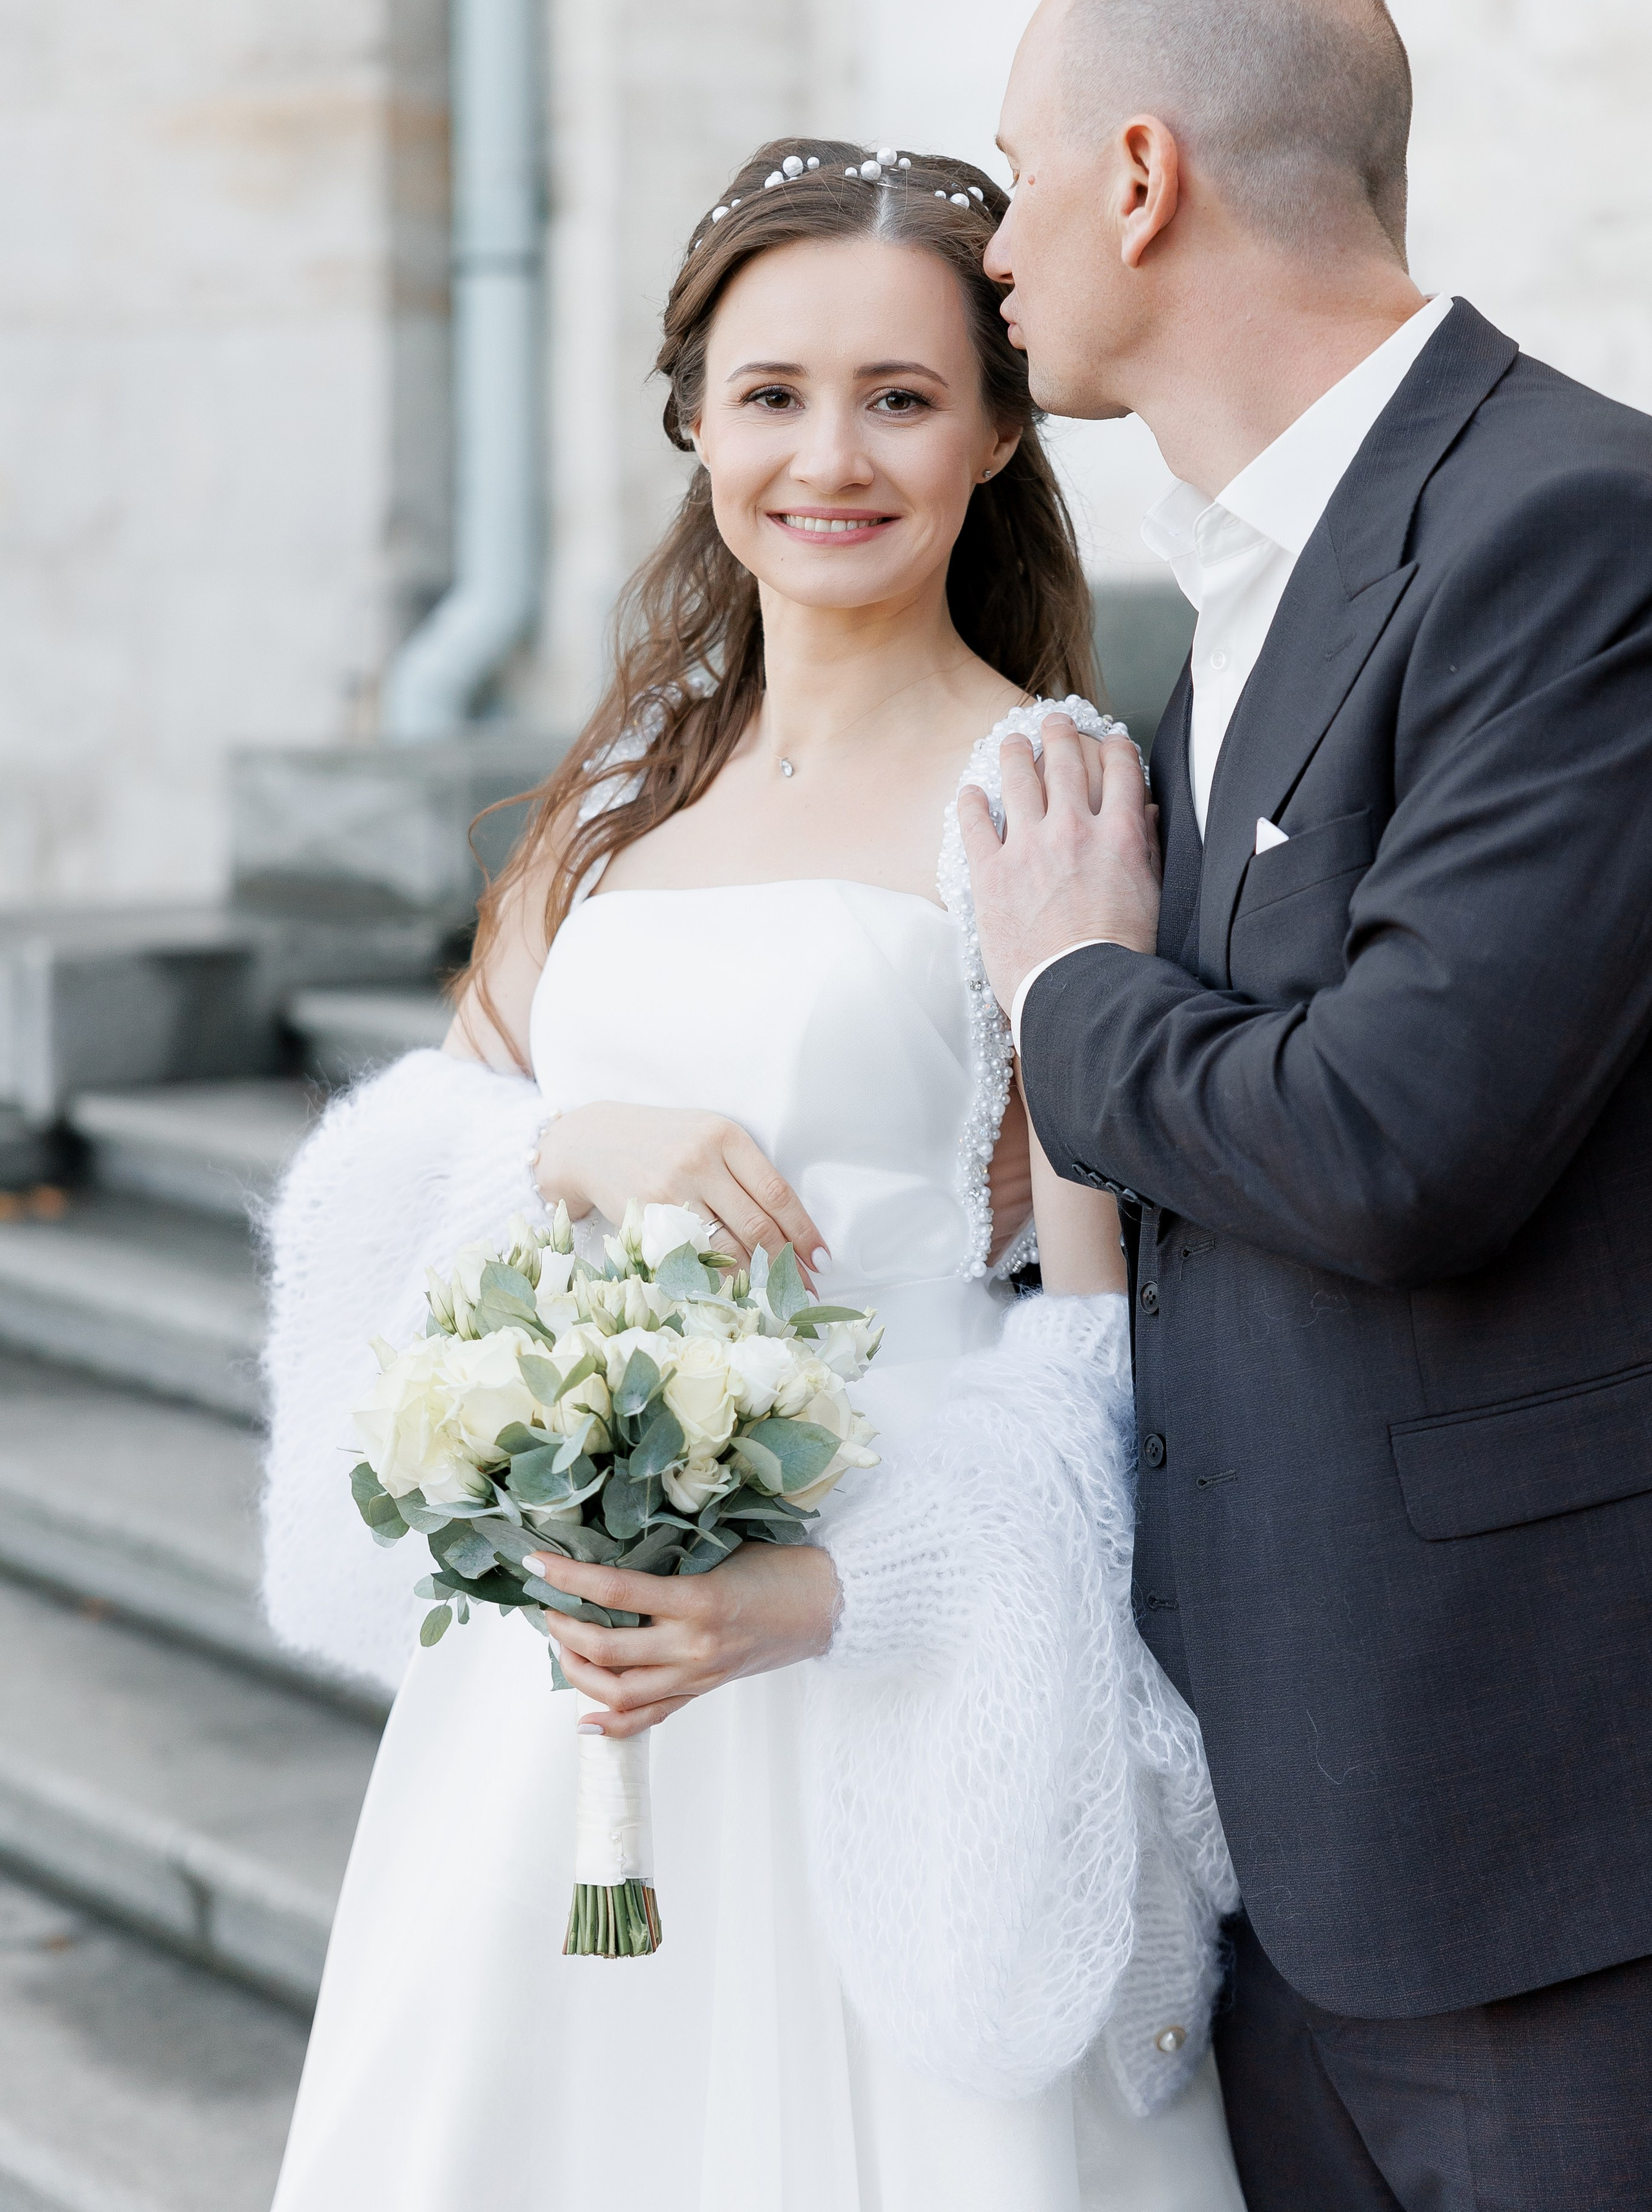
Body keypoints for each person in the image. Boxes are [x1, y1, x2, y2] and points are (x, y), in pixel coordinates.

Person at [261, 139, 1245, 2209]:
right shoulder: (619, 799)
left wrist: (828, 1593)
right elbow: (409, 1181)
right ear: (695, 412)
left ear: (995, 430)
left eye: (900, 396)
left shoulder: (1047, 788)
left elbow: (1097, 1350)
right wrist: (562, 1150)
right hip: (564, 1663)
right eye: (774, 391)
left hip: (861, 1639)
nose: (832, 457)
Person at [963, 0, 1652, 2211]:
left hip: (1532, 1859)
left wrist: (1075, 1000)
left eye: (1016, 172)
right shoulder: (1252, 576)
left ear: (1139, 177)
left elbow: (1399, 1131)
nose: (998, 253)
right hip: (1285, 1833)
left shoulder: (1572, 523)